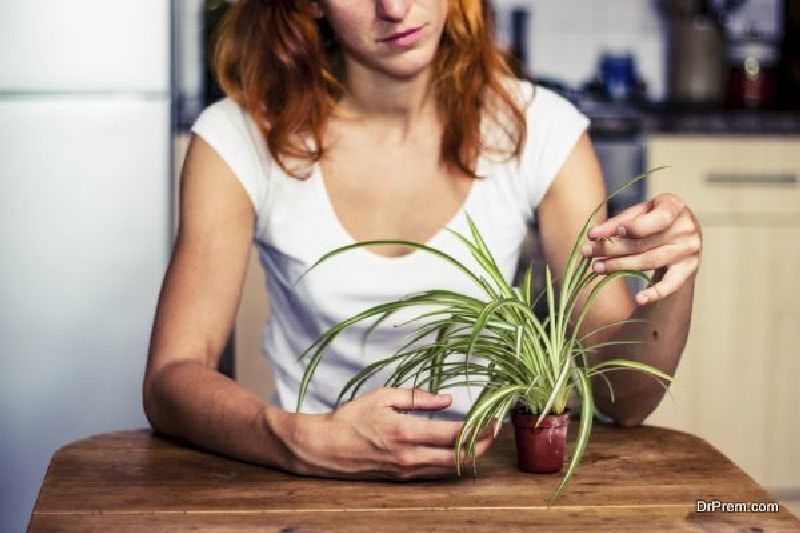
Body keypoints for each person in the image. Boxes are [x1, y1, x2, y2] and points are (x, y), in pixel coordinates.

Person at [143, 0, 702, 481]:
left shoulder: (542, 129)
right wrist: (299, 441)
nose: (394, 7)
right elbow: (172, 376)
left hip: (483, 485)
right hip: (310, 489)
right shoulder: (238, 138)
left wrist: (673, 279)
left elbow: (622, 400)